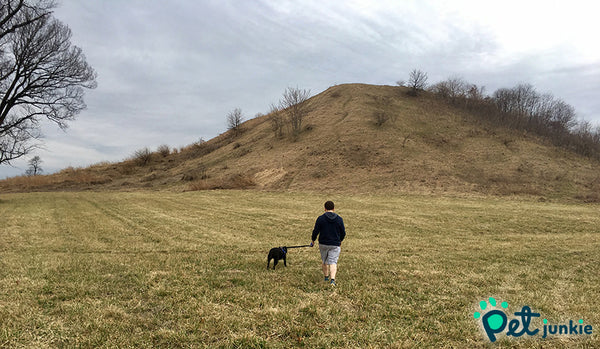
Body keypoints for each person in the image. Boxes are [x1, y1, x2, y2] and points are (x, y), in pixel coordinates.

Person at [310, 200, 346, 286]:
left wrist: (313, 240)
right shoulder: (339, 219)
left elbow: (316, 231)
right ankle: (332, 280)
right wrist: (340, 240)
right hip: (335, 244)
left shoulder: (320, 218)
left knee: (324, 261)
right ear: (333, 209)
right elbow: (343, 232)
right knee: (333, 262)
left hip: (323, 243)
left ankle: (326, 277)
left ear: (325, 209)